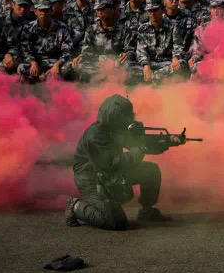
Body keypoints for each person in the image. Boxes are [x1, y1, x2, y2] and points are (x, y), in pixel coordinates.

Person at [64, 94, 171, 230]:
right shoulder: (94, 136)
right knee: (116, 222)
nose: (129, 118)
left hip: (111, 173)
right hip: (92, 179)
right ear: (114, 117)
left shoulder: (115, 129)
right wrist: (137, 152)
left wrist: (164, 143)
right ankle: (76, 206)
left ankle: (147, 211)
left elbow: (137, 144)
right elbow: (113, 163)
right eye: (125, 116)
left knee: (151, 171)